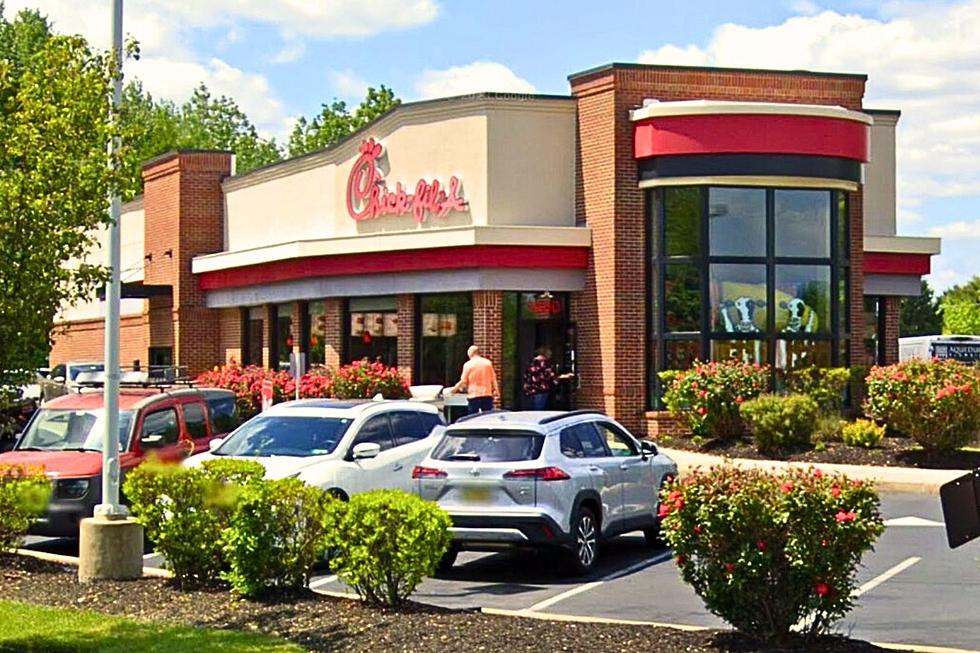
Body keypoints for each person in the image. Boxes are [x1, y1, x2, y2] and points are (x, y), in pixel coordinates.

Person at [448, 345, 499, 414]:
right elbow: (493, 379)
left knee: (472, 416)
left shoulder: (468, 365)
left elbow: (463, 381)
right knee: (487, 415)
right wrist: (496, 390)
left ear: (471, 353)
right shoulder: (488, 363)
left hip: (474, 395)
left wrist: (454, 389)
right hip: (487, 394)